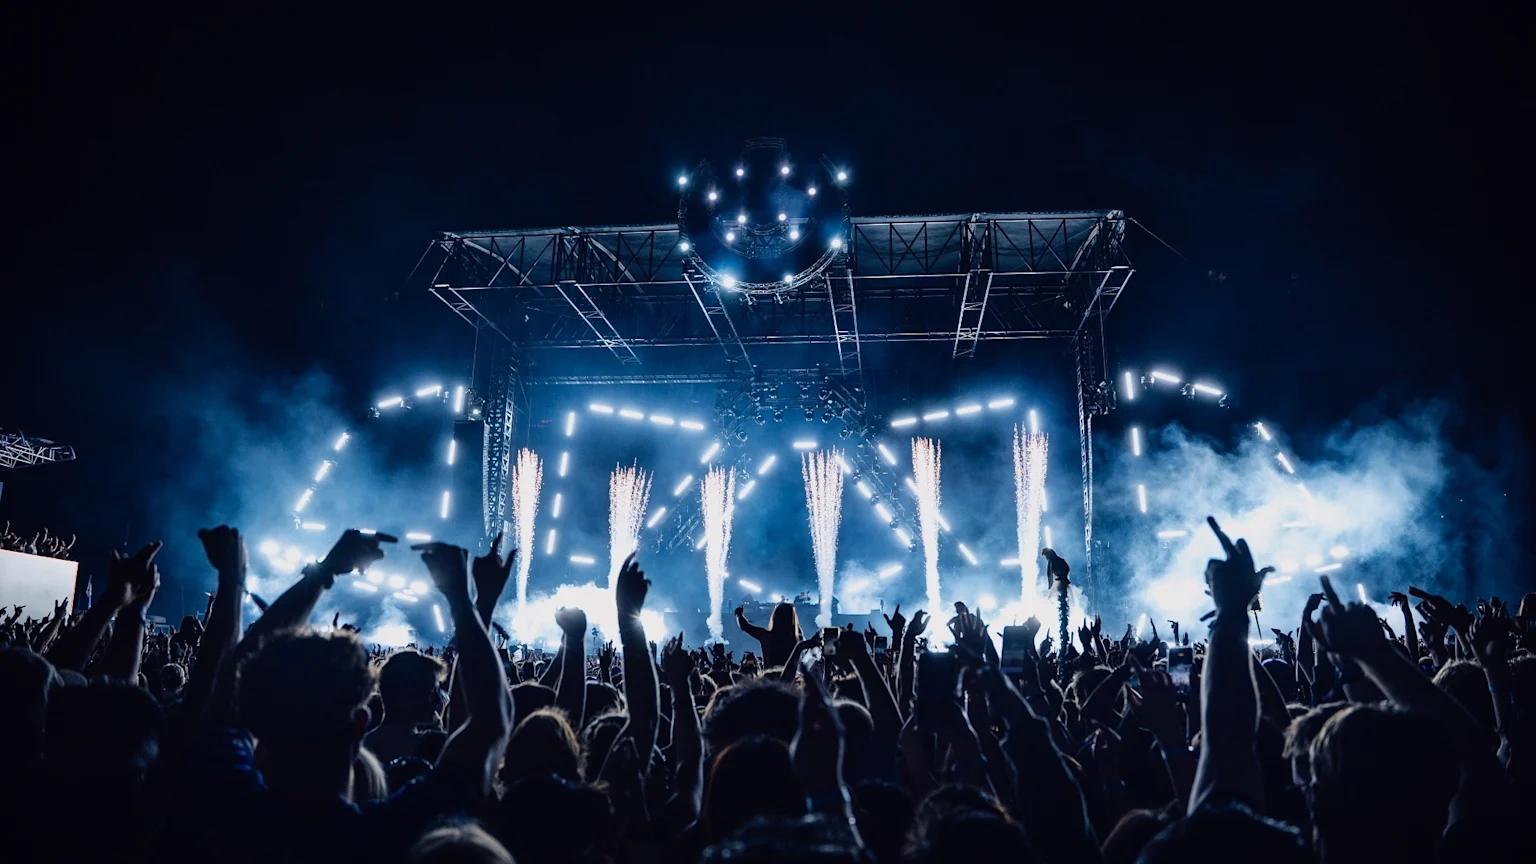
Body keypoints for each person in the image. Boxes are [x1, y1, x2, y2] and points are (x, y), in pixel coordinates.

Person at [735, 602, 803, 668]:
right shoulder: (797, 639)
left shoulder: (766, 637)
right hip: (791, 678)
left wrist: (738, 614)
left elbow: (745, 626)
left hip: (770, 678)